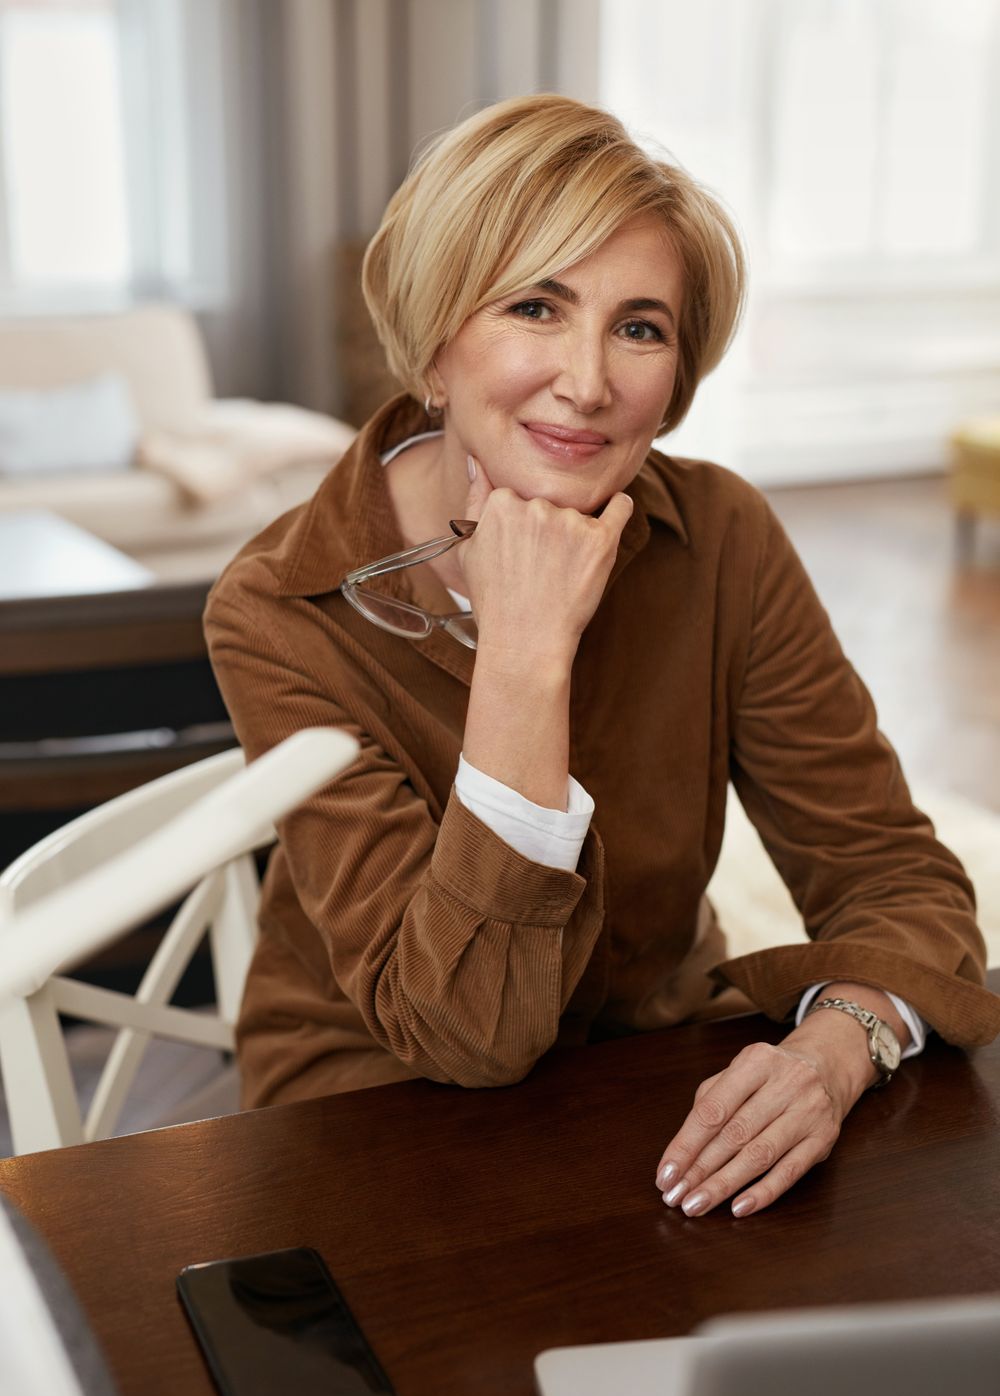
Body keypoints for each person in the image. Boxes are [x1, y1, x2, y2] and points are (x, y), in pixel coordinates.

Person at [205, 94, 998, 1218]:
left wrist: (835, 1046)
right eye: (536, 306)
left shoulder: (720, 535)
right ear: (435, 345)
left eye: (639, 327)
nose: (587, 381)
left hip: (656, 1079)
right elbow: (464, 1036)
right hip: (374, 1117)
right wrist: (525, 658)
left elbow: (890, 875)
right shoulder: (280, 605)